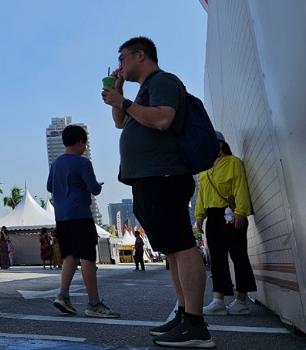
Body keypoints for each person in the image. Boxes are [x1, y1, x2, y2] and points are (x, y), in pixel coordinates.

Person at [102, 36, 213, 347]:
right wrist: (119, 95)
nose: (119, 65)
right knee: (173, 251)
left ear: (140, 55)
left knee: (182, 247)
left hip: (164, 175)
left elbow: (163, 119)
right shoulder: (141, 92)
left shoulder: (162, 81)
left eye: (122, 58)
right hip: (148, 178)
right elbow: (121, 123)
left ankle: (195, 324)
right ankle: (183, 314)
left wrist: (122, 101)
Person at [47, 124, 119, 318]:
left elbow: (49, 186)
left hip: (61, 216)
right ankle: (94, 303)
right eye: (84, 144)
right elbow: (94, 188)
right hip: (80, 213)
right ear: (80, 143)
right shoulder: (82, 163)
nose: (85, 148)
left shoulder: (56, 164)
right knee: (87, 257)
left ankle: (63, 295)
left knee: (70, 255)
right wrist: (97, 186)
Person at [195, 131, 256, 315]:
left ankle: (241, 301)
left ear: (220, 144)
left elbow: (240, 187)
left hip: (230, 214)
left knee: (239, 256)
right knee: (217, 259)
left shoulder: (233, 162)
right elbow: (201, 195)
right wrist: (199, 217)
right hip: (212, 217)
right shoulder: (205, 169)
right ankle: (218, 300)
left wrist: (241, 212)